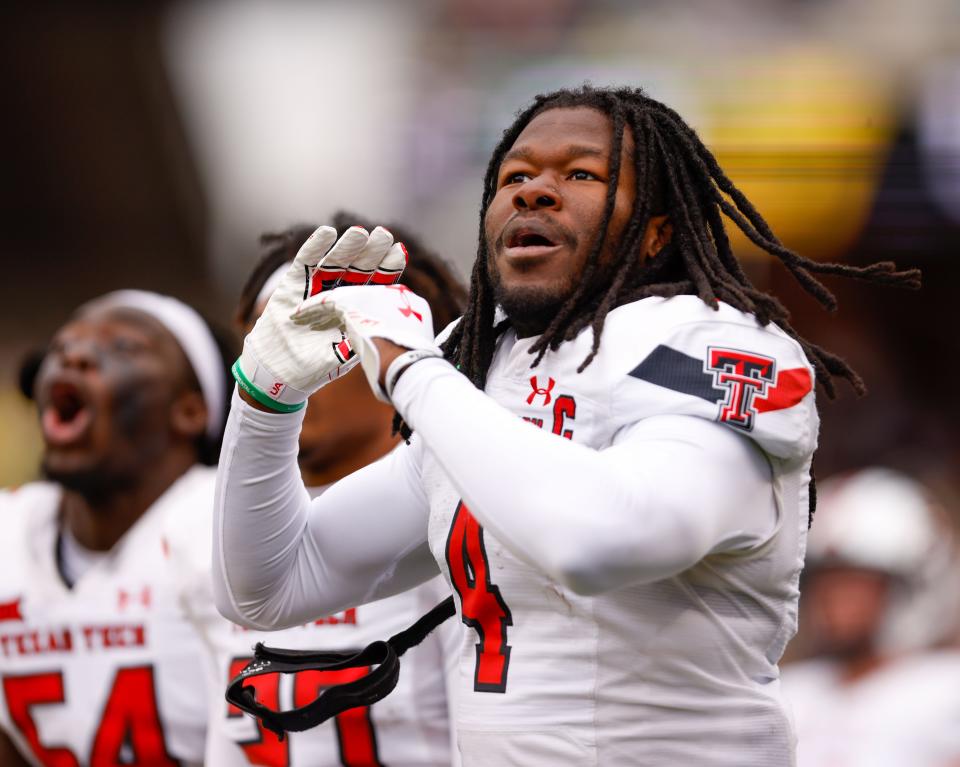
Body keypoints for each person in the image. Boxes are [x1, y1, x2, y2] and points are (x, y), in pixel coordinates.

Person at [213, 85, 920, 765]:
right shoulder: (486, 373)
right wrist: (266, 396)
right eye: (513, 175)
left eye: (581, 173)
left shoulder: (715, 344)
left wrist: (409, 369)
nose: (532, 190)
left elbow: (599, 543)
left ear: (655, 232)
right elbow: (267, 588)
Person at [163, 213, 466, 766]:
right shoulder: (186, 526)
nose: (281, 355)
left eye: (315, 325)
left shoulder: (455, 506)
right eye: (264, 335)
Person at [0, 290, 232, 767]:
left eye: (124, 347)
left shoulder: (227, 528)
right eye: (61, 347)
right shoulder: (12, 530)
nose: (75, 356)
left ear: (191, 410)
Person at [782, 467, 960, 767]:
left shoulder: (947, 688)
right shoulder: (787, 692)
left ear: (907, 589)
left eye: (855, 582)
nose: (834, 599)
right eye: (827, 581)